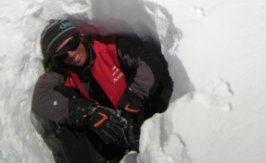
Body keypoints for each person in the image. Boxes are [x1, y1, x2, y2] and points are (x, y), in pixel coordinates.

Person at [32, 18, 173, 163]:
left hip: (141, 114)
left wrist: (130, 103)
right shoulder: (63, 72)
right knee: (66, 116)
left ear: (81, 37)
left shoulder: (109, 47)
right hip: (109, 134)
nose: (71, 54)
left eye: (72, 44)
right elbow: (40, 99)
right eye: (62, 54)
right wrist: (87, 112)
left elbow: (150, 61)